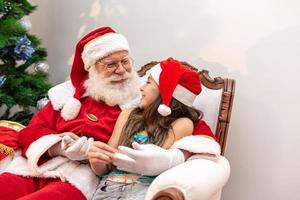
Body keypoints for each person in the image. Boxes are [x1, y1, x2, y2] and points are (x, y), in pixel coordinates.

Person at [0, 27, 219, 200]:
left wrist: (171, 158)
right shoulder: (67, 96)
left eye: (125, 61)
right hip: (36, 167)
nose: (122, 70)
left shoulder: (144, 97)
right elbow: (30, 132)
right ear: (92, 68)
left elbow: (200, 136)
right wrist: (62, 146)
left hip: (80, 177)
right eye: (111, 64)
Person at [90, 58, 202, 199]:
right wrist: (97, 161)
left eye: (148, 82)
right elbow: (106, 167)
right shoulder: (128, 114)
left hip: (143, 193)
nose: (141, 88)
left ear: (165, 91)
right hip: (107, 191)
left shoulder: (182, 124)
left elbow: (158, 166)